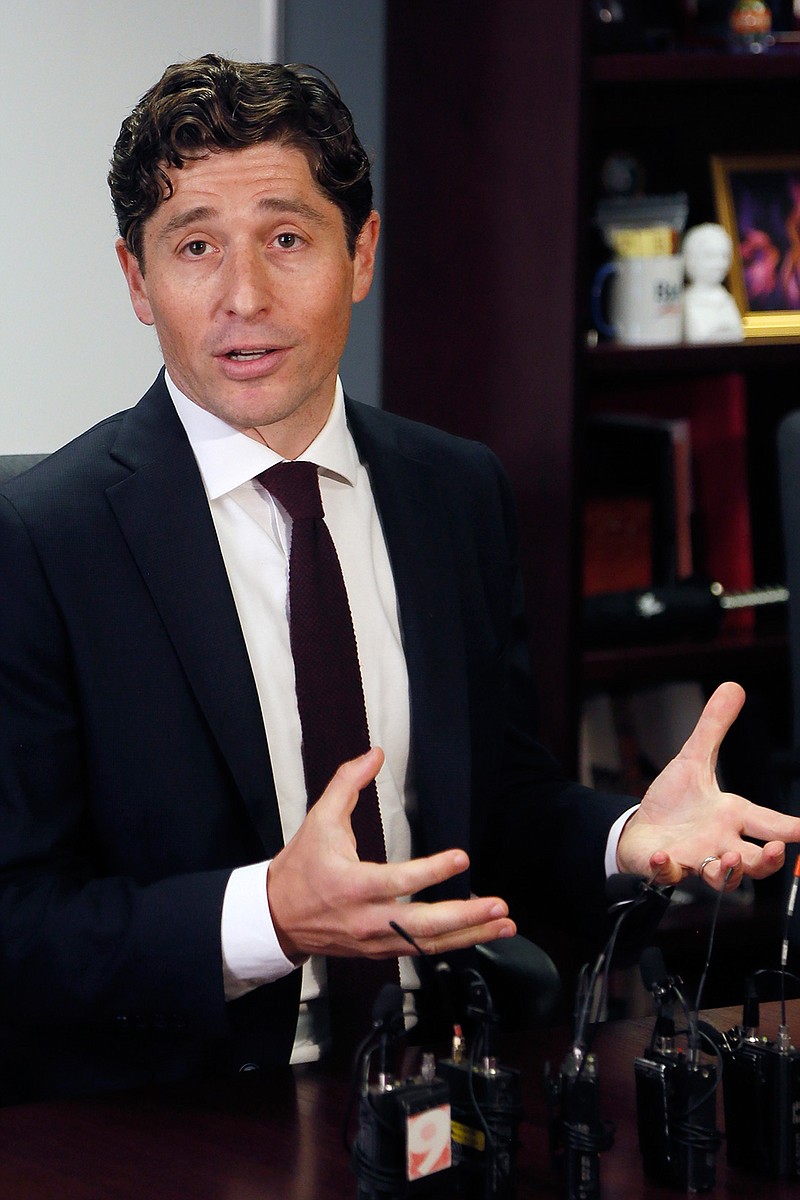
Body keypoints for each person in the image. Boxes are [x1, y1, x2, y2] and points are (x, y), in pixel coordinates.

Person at [0, 55, 797, 1104]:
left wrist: (621, 835)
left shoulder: (451, 491)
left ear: (361, 252)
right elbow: (16, 925)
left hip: (443, 1081)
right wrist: (269, 917)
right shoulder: (41, 541)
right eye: (195, 248)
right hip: (173, 1113)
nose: (244, 296)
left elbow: (496, 805)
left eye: (287, 239)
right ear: (137, 282)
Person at [682, 222, 744, 343]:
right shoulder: (688, 301)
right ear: (692, 257)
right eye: (711, 256)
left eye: (724, 255)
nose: (719, 264)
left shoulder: (726, 298)